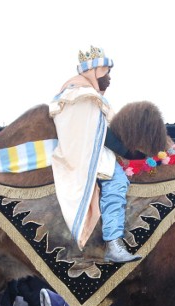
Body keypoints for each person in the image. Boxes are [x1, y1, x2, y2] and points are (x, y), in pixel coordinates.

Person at [48, 45, 141, 263]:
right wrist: (129, 152)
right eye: (106, 73)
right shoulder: (83, 95)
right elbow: (100, 134)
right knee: (117, 182)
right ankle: (114, 243)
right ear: (94, 71)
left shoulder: (76, 94)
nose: (109, 78)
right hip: (87, 156)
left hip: (85, 152)